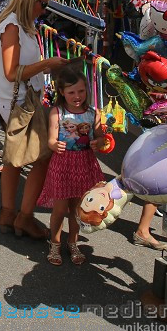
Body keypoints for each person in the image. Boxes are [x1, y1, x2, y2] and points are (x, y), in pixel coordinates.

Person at [0, 0, 70, 239]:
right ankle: (23, 217)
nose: (45, 10)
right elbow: (12, 72)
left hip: (20, 101)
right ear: (31, 1)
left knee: (14, 158)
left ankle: (7, 213)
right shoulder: (13, 27)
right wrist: (47, 63)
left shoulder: (22, 26)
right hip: (19, 102)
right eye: (43, 4)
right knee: (42, 157)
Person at [38, 66, 109, 266]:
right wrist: (55, 144)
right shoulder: (57, 112)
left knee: (78, 209)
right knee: (60, 209)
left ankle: (73, 243)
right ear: (62, 92)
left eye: (81, 91)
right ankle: (55, 243)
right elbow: (51, 139)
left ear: (87, 90)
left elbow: (100, 138)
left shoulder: (93, 113)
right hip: (62, 164)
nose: (77, 96)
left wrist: (99, 142)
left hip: (85, 164)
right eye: (71, 92)